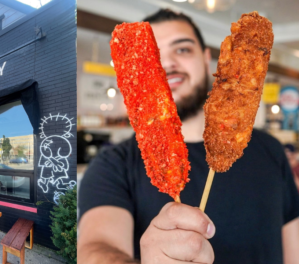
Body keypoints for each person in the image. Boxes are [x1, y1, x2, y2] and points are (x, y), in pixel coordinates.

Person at [78, 9, 299, 264]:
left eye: (182, 49)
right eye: (154, 54)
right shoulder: (112, 165)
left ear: (207, 58)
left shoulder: (270, 149)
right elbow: (95, 249)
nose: (167, 63)